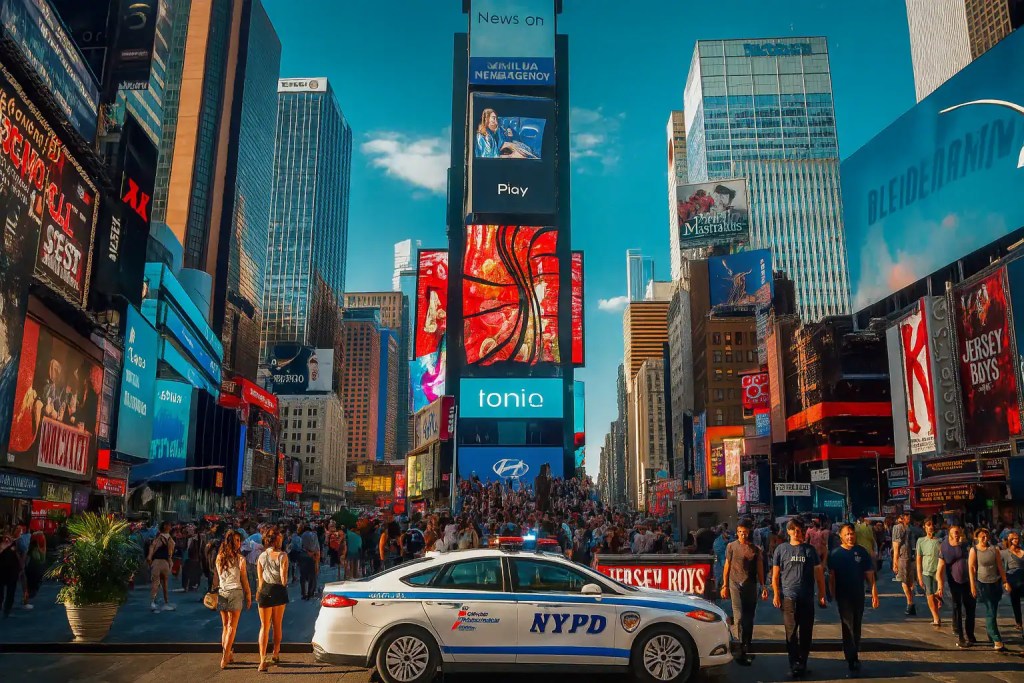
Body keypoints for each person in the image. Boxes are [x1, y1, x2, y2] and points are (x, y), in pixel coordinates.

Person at [771, 517, 826, 679]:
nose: (796, 532)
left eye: (799, 529)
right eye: (793, 529)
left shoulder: (809, 550)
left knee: (806, 633)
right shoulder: (781, 549)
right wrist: (776, 594)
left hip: (807, 598)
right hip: (789, 598)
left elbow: (819, 576)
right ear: (788, 531)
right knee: (791, 633)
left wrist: (822, 595)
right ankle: (793, 663)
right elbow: (775, 576)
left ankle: (803, 662)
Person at [829, 523, 880, 675]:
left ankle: (853, 651)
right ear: (841, 536)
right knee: (848, 625)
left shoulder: (861, 552)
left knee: (857, 625)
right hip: (843, 596)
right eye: (847, 534)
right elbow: (832, 576)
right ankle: (851, 657)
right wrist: (831, 594)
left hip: (858, 594)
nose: (850, 536)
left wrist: (874, 593)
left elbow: (869, 574)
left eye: (852, 534)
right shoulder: (835, 554)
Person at [720, 520, 767, 665]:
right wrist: (724, 585)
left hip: (751, 585)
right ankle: (740, 645)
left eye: (745, 532)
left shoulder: (756, 549)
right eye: (740, 531)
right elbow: (727, 566)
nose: (742, 534)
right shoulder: (731, 546)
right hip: (734, 584)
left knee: (749, 617)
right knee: (738, 616)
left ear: (749, 532)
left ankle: (747, 644)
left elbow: (760, 567)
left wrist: (763, 586)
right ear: (737, 532)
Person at [969, 527, 1012, 652]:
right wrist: (972, 585)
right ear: (977, 537)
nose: (985, 538)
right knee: (990, 611)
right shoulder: (974, 550)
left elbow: (1000, 566)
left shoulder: (994, 549)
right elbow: (971, 568)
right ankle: (997, 639)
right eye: (982, 536)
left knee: (993, 609)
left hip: (995, 582)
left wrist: (1005, 581)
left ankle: (990, 634)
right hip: (983, 583)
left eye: (986, 536)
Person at [214, 530, 250, 670]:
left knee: (225, 626)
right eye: (236, 540)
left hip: (222, 592)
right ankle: (225, 657)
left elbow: (216, 578)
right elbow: (244, 579)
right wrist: (248, 594)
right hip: (235, 592)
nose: (238, 543)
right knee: (232, 627)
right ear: (230, 542)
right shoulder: (240, 559)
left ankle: (227, 655)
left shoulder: (219, 557)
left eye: (239, 540)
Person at [936, 525, 976, 648]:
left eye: (958, 532)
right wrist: (940, 585)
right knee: (957, 606)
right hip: (954, 580)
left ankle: (970, 634)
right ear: (949, 534)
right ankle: (960, 636)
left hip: (968, 580)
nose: (957, 534)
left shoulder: (965, 544)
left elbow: (973, 560)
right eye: (954, 532)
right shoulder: (944, 546)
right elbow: (940, 567)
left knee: (970, 607)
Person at [256, 526, 289, 672]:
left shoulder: (262, 556)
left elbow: (260, 579)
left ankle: (262, 659)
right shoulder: (283, 556)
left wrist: (258, 592)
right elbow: (283, 579)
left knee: (264, 626)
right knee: (277, 624)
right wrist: (284, 579)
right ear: (277, 540)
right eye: (280, 538)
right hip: (278, 591)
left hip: (265, 591)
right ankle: (275, 653)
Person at [916, 518, 943, 627]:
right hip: (926, 572)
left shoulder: (939, 541)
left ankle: (937, 613)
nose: (931, 527)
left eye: (932, 525)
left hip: (938, 571)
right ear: (924, 527)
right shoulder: (921, 541)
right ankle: (936, 617)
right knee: (929, 595)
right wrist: (919, 575)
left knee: (937, 594)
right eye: (928, 525)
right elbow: (918, 559)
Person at [891, 513, 917, 616]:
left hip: (906, 556)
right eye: (907, 516)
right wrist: (895, 561)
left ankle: (910, 603)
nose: (909, 518)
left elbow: (896, 546)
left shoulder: (906, 528)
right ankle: (910, 603)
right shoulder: (901, 528)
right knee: (907, 581)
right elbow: (896, 545)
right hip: (905, 556)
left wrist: (895, 562)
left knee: (906, 582)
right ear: (902, 518)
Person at [148, 521, 176, 612]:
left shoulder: (158, 537)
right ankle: (166, 602)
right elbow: (170, 553)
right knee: (165, 583)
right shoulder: (170, 539)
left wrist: (149, 558)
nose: (170, 527)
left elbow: (152, 547)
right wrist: (170, 562)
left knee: (156, 582)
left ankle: (153, 602)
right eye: (169, 525)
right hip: (165, 562)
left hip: (157, 562)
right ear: (166, 526)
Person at [1002, 531, 1023, 631]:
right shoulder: (1006, 552)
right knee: (1016, 603)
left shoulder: (1022, 551)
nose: (1016, 540)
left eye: (1017, 538)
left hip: (1023, 578)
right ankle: (1019, 622)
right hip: (1013, 580)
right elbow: (1002, 568)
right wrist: (1005, 582)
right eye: (1014, 538)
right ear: (1010, 540)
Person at [0, 529, 20, 617]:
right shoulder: (1, 545)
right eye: (5, 537)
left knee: (11, 592)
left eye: (8, 537)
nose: (7, 539)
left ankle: (7, 610)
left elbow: (17, 556)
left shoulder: (14, 544)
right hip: (1, 572)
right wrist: (2, 548)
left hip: (12, 572)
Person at [299, 523, 320, 600]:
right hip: (312, 556)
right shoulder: (314, 535)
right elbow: (317, 547)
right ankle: (310, 593)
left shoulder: (302, 535)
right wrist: (317, 558)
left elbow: (299, 546)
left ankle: (304, 594)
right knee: (312, 575)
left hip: (303, 556)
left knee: (303, 576)